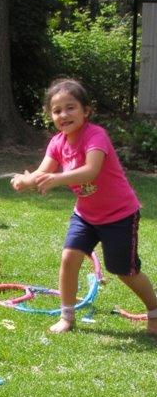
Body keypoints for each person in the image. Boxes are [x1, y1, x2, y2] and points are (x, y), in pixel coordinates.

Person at [11, 78, 157, 336]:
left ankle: (155, 312)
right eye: (57, 111)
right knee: (69, 258)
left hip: (119, 215)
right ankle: (67, 316)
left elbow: (90, 171)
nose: (63, 115)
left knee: (124, 270)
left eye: (70, 108)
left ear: (86, 110)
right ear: (50, 116)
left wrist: (56, 180)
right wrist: (26, 181)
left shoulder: (95, 135)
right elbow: (42, 172)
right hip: (86, 216)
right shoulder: (57, 142)